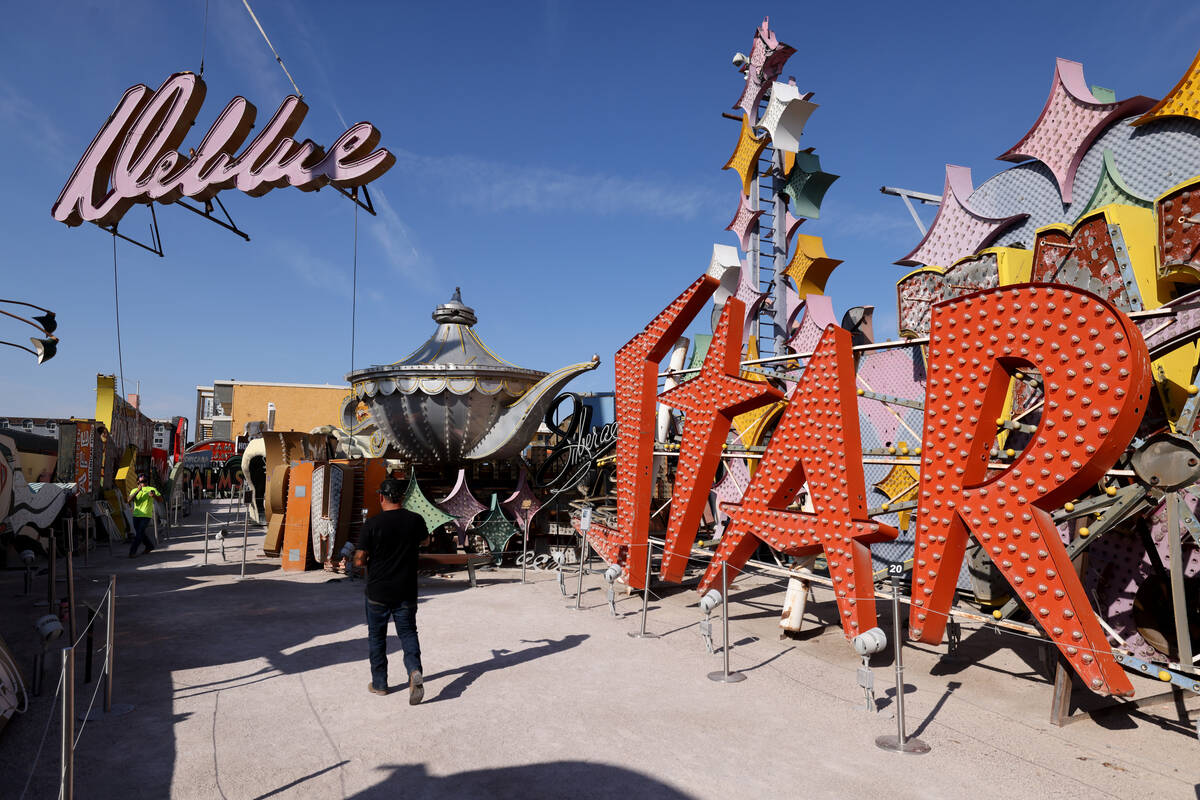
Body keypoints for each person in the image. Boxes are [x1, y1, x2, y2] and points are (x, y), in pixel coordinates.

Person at [355, 477, 429, 703]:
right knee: (408, 633)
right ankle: (414, 671)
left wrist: (362, 558)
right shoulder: (415, 520)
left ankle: (380, 685)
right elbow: (425, 542)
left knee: (377, 638)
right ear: (403, 498)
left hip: (378, 592)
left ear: (381, 497)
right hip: (406, 590)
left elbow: (359, 561)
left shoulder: (372, 524)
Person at [127, 473, 161, 558]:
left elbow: (160, 500)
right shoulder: (134, 490)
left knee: (139, 534)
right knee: (141, 533)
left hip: (146, 515)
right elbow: (128, 500)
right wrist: (138, 490)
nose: (144, 483)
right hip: (136, 515)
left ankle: (132, 551)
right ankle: (149, 546)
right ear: (138, 482)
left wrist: (154, 496)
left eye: (145, 481)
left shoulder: (151, 489)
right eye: (142, 481)